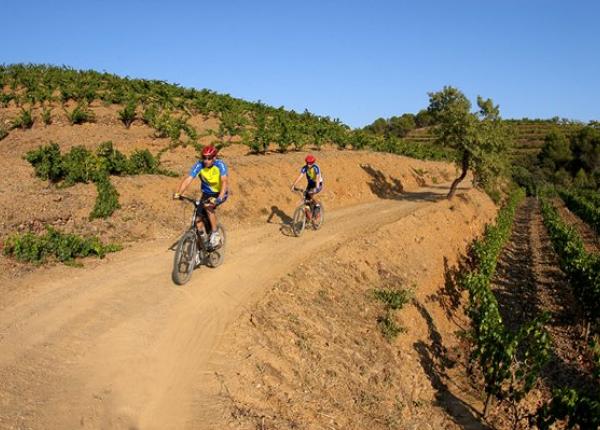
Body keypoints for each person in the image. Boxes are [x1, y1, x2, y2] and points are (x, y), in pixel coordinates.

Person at [173, 145, 228, 248]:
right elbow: (188, 179)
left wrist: (219, 198)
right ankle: (203, 242)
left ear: (214, 158)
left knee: (208, 206)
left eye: (209, 158)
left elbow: (224, 182)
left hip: (220, 192)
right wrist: (179, 193)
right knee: (198, 220)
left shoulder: (220, 165)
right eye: (204, 158)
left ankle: (215, 234)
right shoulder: (199, 165)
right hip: (206, 193)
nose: (206, 161)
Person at [291, 154, 323, 219]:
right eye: (307, 163)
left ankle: (317, 205)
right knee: (305, 196)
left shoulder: (316, 168)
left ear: (313, 163)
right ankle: (308, 215)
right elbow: (300, 176)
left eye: (310, 163)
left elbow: (317, 178)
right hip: (310, 184)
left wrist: (316, 188)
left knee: (310, 193)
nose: (308, 164)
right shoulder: (304, 168)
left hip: (318, 183)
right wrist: (293, 185)